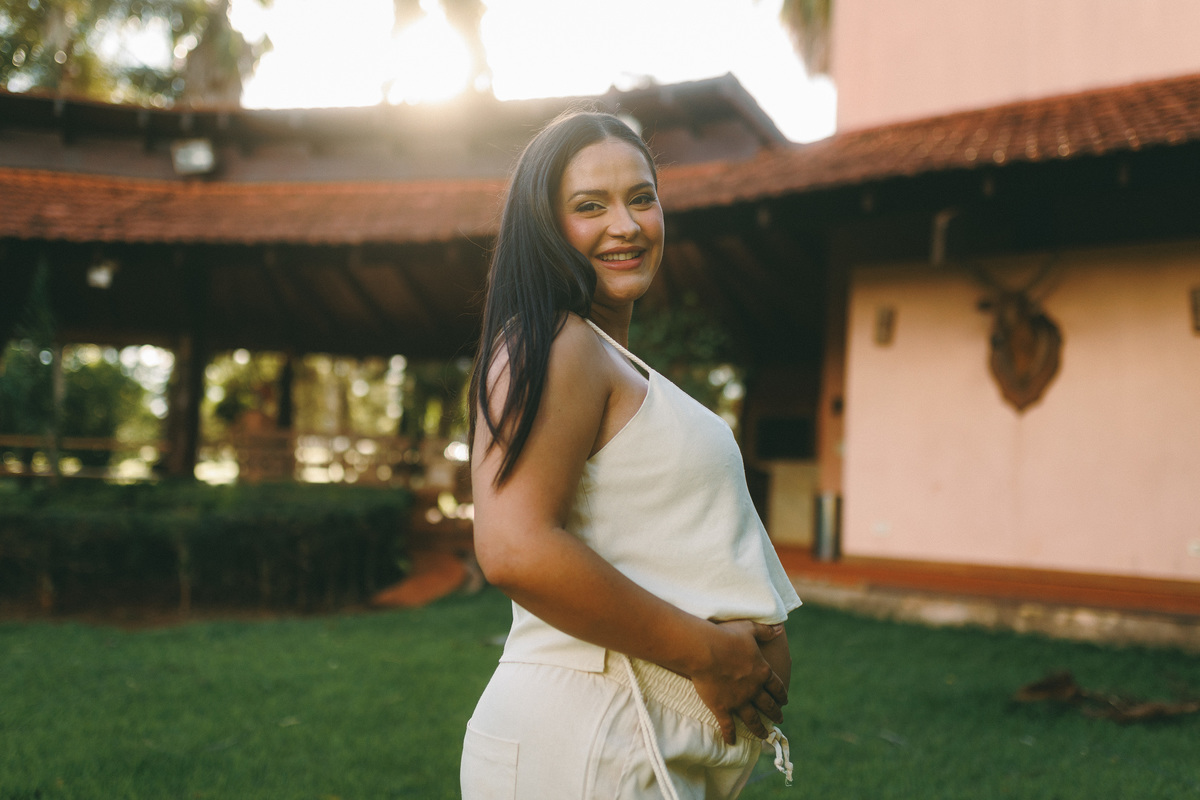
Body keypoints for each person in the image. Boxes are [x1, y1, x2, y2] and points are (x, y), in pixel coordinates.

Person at [460, 109, 802, 800]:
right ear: (545, 227)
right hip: (593, 738)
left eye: (641, 198)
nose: (626, 225)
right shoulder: (559, 345)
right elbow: (515, 548)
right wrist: (708, 655)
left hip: (623, 740)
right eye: (591, 206)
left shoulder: (600, 354)